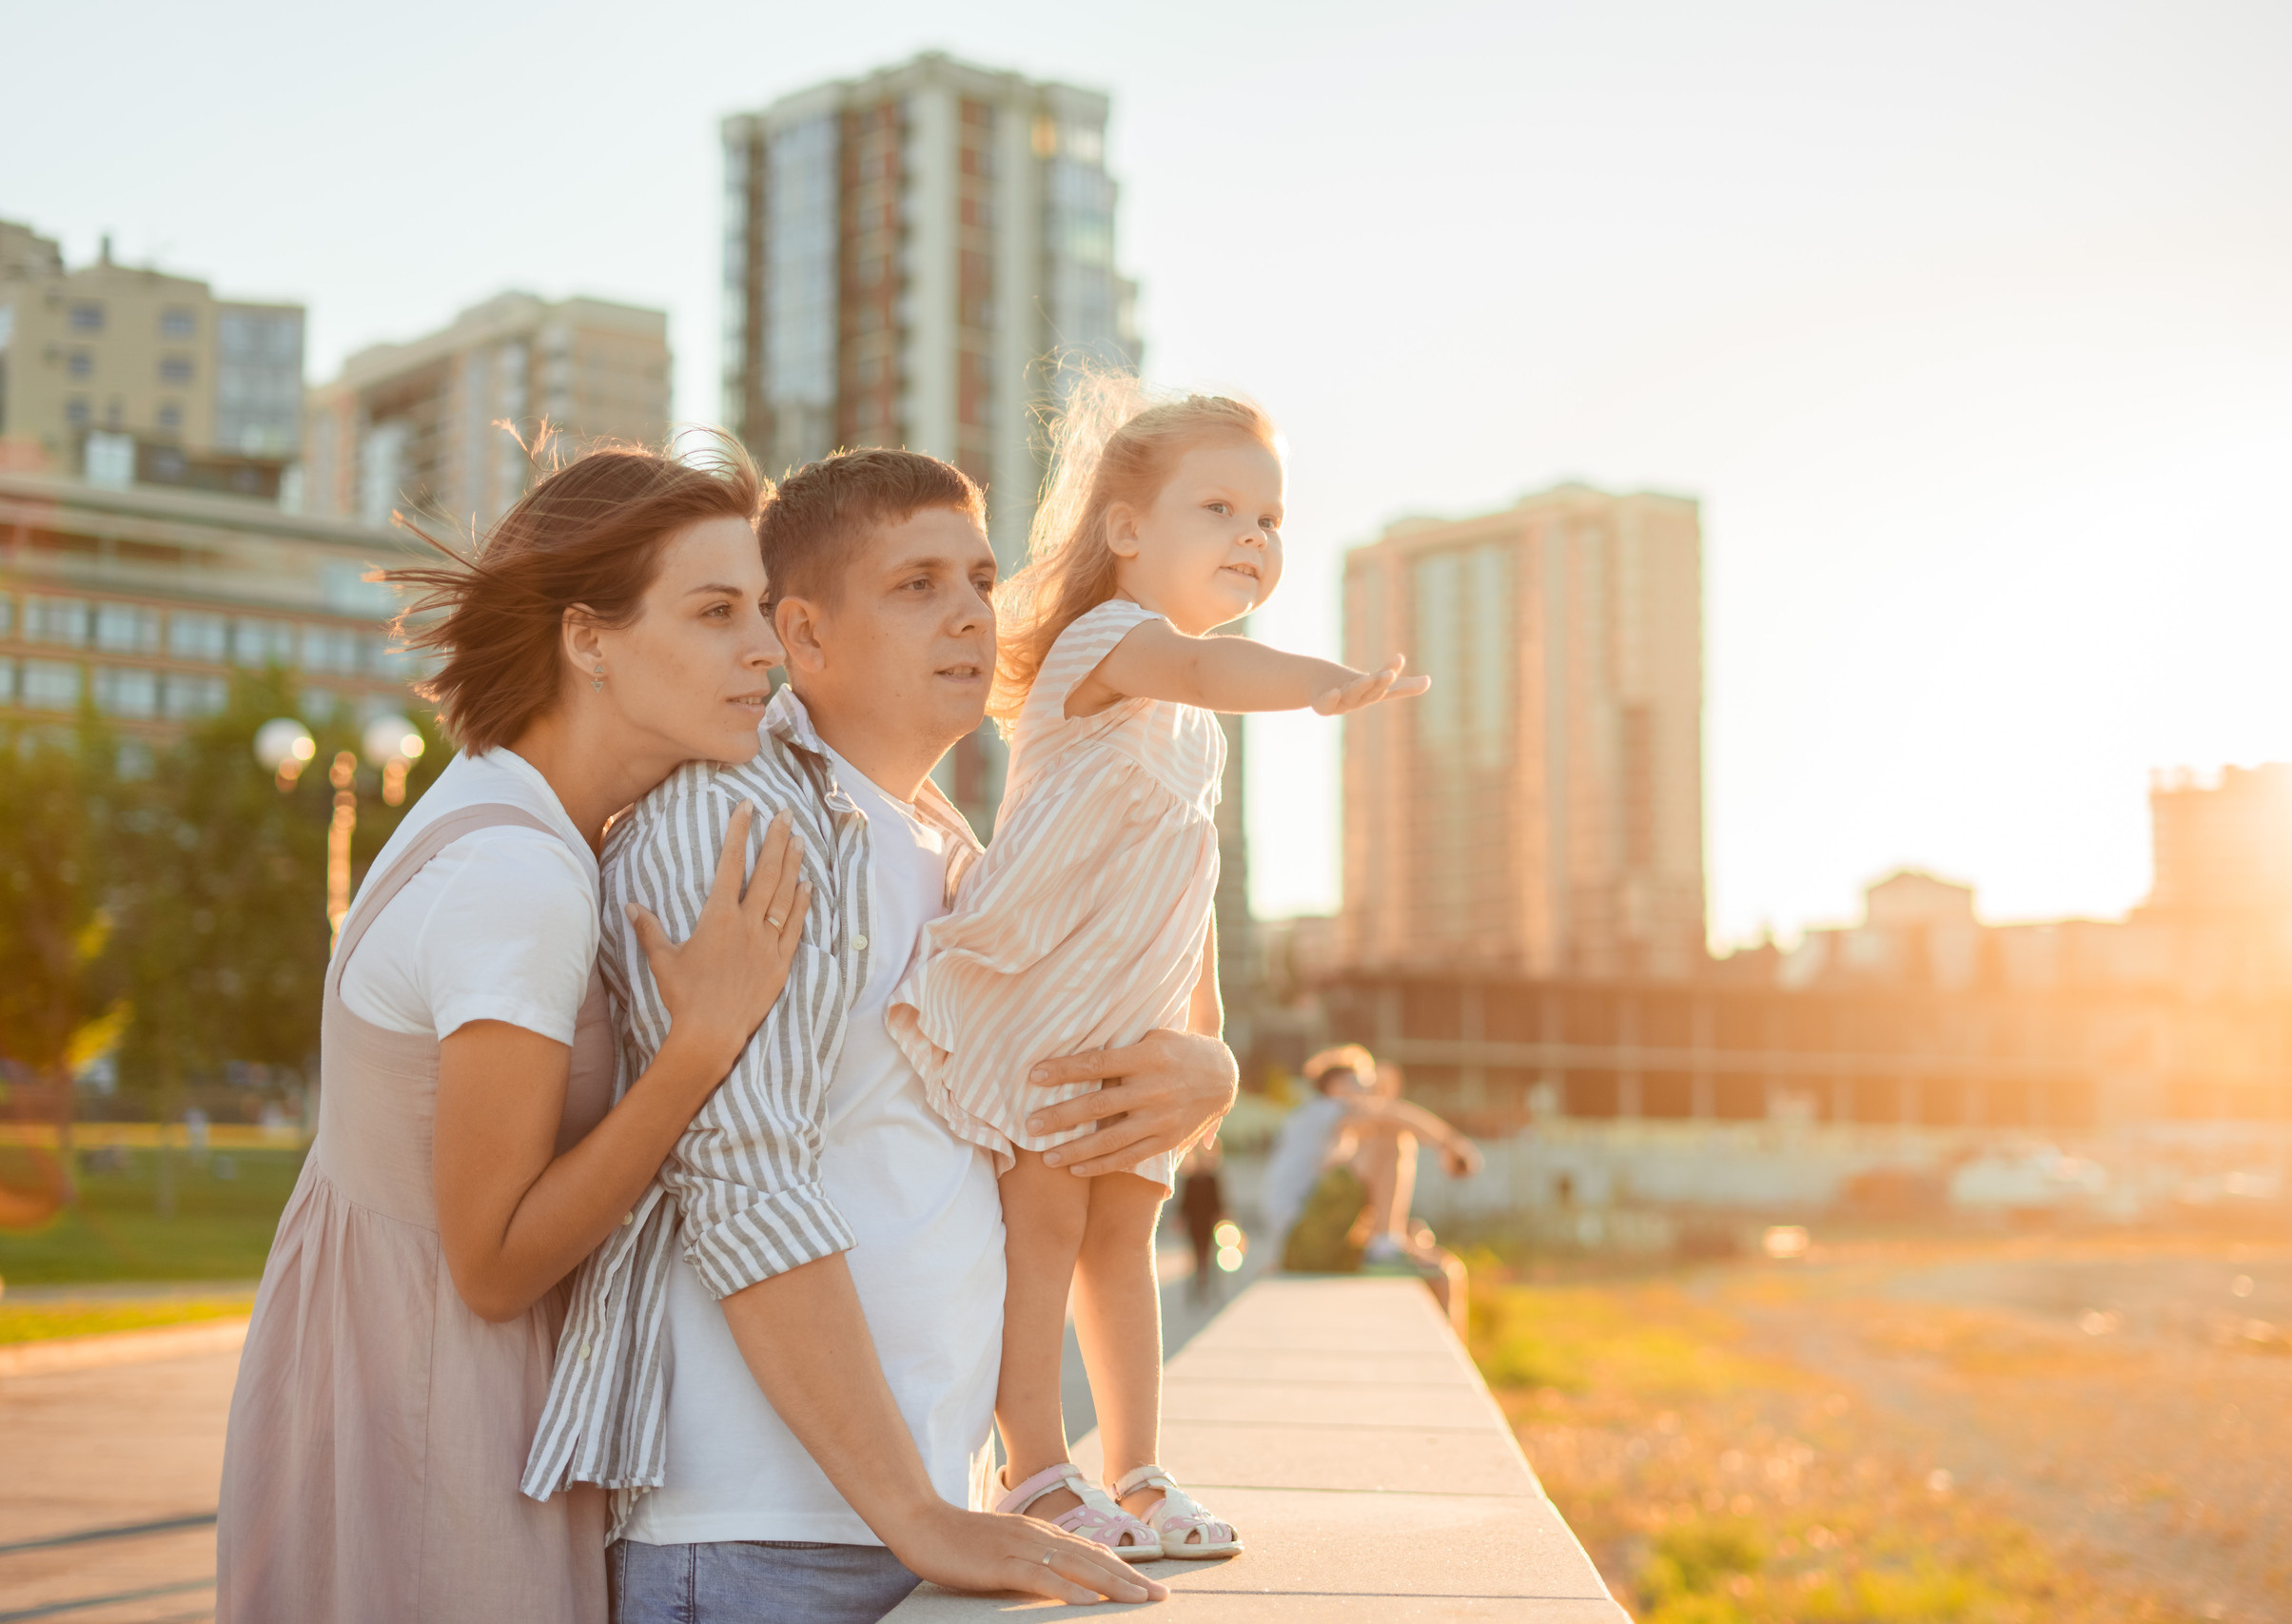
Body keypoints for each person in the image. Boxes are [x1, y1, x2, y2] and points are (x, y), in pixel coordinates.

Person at [524, 448, 1238, 1624]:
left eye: (980, 579)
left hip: (922, 1517)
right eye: (917, 586)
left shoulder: (953, 849)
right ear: (800, 635)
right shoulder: (737, 820)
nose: (970, 613)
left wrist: (1204, 1073)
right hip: (763, 1539)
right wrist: (914, 1511)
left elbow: (1052, 1097)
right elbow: (742, 1183)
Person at [217, 443, 813, 1623]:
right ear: (588, 641)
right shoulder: (517, 877)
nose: (767, 649)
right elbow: (490, 1264)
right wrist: (701, 1046)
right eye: (715, 612)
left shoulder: (509, 812)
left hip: (378, 1370)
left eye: (760, 610)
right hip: (439, 1402)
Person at [883, 378, 1428, 1563]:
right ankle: (1031, 1468)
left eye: (1270, 521)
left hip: (1133, 1025)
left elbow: (1191, 888)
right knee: (1045, 1225)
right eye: (1220, 509)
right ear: (1128, 529)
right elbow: (1208, 670)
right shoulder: (1112, 646)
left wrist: (1209, 1019)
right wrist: (1321, 683)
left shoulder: (1197, 729)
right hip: (1039, 1000)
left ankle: (1135, 1468)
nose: (1252, 539)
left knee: (1127, 1235)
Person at [1264, 1046, 1483, 1322]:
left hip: (1308, 1244)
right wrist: (1451, 1144)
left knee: (1444, 1273)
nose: (1369, 1093)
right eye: (1363, 1084)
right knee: (1390, 1137)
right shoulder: (1323, 1109)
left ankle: (1388, 1241)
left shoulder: (1325, 1130)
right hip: (1305, 1240)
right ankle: (1385, 1245)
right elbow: (1391, 1114)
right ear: (1337, 1086)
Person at [1176, 1140, 1227, 1301]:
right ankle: (1198, 1286)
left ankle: (1207, 1286)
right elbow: (1184, 1203)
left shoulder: (1212, 1179)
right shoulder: (1189, 1179)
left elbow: (1218, 1202)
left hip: (1209, 1224)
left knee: (1208, 1255)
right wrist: (1180, 1219)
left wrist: (1223, 1219)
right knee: (1195, 1255)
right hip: (1194, 1223)